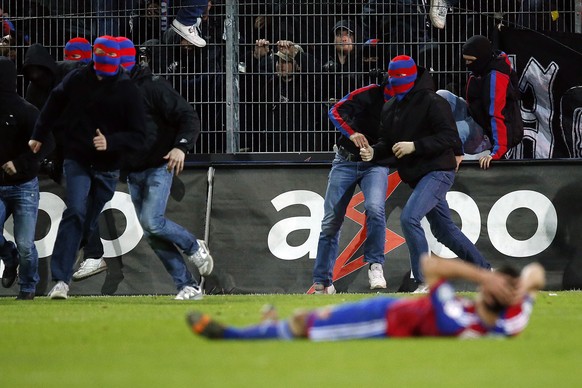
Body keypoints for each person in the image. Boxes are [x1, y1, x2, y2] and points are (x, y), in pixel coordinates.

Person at [75, 36, 214, 300]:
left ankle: (193, 244)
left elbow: (188, 115)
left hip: (159, 164)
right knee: (152, 233)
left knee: (153, 222)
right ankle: (187, 286)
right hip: (133, 170)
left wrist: (181, 147)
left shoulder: (153, 86)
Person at [29, 35, 148, 300]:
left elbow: (140, 136)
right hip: (78, 157)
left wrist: (112, 141)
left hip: (108, 165)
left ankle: (82, 251)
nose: (103, 76)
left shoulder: (128, 90)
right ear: (94, 58)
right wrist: (39, 133)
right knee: (75, 212)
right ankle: (61, 280)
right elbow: (52, 105)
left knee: (87, 217)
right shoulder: (76, 79)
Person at [360, 55, 492, 292]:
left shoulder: (433, 102)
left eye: (398, 78)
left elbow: (450, 137)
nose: (394, 82)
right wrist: (373, 152)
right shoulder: (390, 108)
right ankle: (485, 272)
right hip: (418, 175)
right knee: (444, 231)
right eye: (392, 77)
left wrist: (415, 146)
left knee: (409, 218)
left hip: (439, 169)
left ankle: (424, 281)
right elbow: (386, 142)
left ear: (410, 78)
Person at [186, 254, 546, 340]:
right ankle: (268, 325)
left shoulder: (454, 317)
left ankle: (230, 335)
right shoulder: (512, 317)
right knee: (300, 319)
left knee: (303, 323)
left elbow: (430, 264)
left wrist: (485, 273)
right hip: (392, 306)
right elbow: (535, 272)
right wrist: (522, 286)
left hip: (382, 321)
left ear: (487, 290)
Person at [311, 76, 396, 294]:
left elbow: (397, 141)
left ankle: (375, 265)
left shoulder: (407, 106)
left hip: (375, 165)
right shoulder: (369, 93)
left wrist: (376, 152)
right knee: (331, 220)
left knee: (375, 209)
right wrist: (353, 133)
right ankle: (322, 282)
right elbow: (336, 110)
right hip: (345, 161)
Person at [0, 57, 55, 300]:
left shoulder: (26, 111)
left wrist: (19, 164)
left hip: (23, 185)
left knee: (25, 244)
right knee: (19, 247)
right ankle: (9, 258)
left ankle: (28, 287)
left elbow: (47, 143)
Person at [436, 35, 523, 169]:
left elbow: (497, 115)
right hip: (476, 115)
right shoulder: (482, 67)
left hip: (487, 131)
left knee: (457, 131)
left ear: (481, 58)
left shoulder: (495, 77)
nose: (467, 65)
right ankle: (428, 139)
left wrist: (497, 151)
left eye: (470, 61)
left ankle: (442, 156)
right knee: (441, 96)